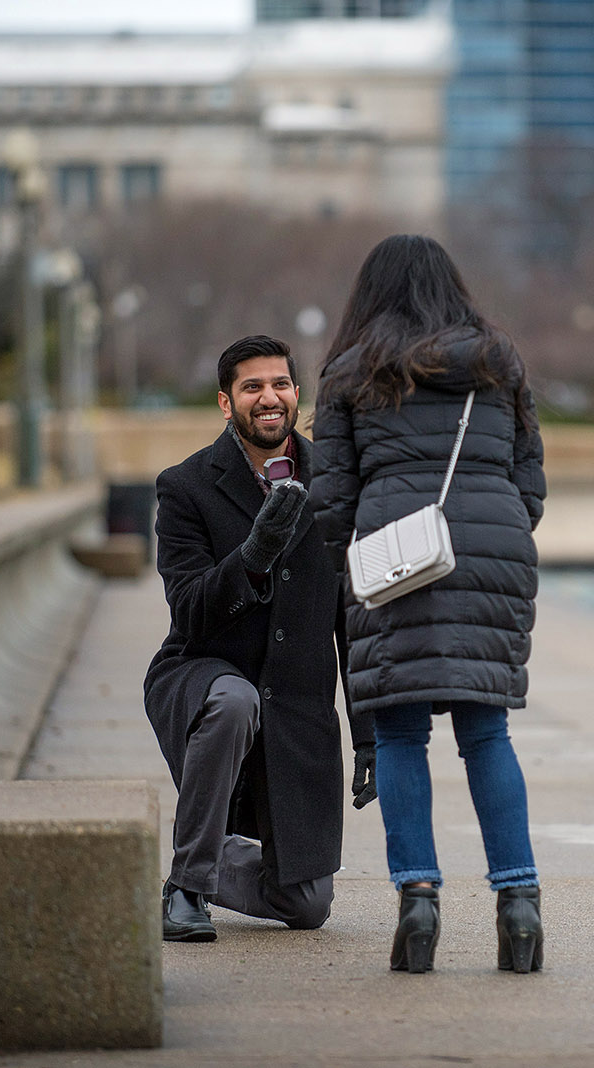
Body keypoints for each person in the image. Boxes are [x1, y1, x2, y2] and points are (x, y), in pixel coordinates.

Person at [310, 234, 547, 974]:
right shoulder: (498, 363)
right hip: (493, 550)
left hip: (395, 558)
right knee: (487, 733)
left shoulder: (352, 371)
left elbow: (332, 503)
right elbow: (530, 480)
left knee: (401, 736)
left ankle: (418, 902)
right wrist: (490, 529)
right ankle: (520, 909)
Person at [143, 334, 376, 942]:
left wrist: (370, 734)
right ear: (226, 403)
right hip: (203, 674)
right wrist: (253, 556)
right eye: (252, 387)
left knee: (305, 906)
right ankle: (187, 888)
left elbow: (354, 622)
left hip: (297, 704)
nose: (268, 398)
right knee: (233, 700)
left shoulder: (337, 483)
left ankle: (196, 860)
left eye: (279, 384)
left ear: (297, 394)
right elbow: (190, 613)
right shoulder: (185, 486)